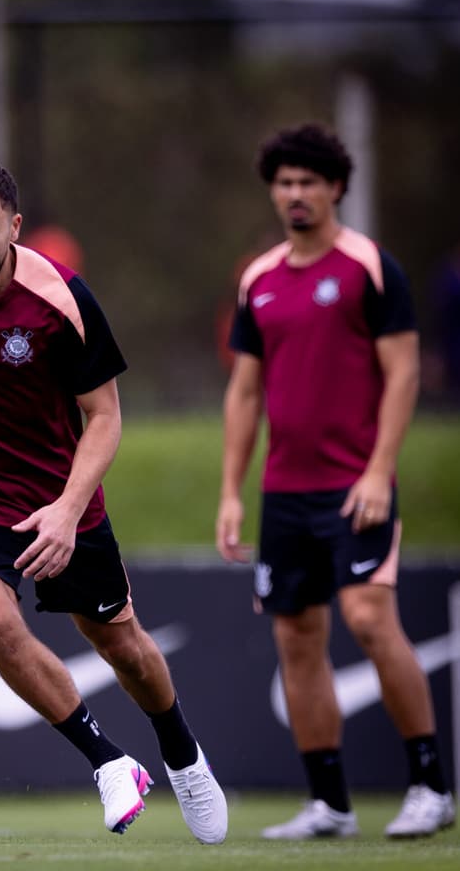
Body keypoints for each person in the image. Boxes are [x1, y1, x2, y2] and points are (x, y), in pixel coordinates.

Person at [0, 159, 228, 844]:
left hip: (58, 497)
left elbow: (107, 418)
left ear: (14, 228)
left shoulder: (60, 299)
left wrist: (64, 510)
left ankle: (182, 754)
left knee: (118, 641)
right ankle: (108, 762)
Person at [216, 123, 456, 840]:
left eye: (308, 183)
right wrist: (232, 490)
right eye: (284, 183)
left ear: (336, 188)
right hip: (283, 493)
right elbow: (244, 394)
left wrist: (381, 470)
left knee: (370, 620)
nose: (294, 194)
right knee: (296, 637)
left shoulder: (370, 268)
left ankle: (431, 788)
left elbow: (404, 371)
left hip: (356, 485)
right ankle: (330, 805)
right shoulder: (258, 279)